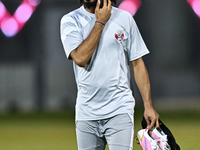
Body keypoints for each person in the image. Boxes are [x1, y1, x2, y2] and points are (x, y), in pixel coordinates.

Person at [60, 0, 159, 149]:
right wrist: (100, 22)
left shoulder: (124, 18)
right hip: (86, 112)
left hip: (119, 109)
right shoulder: (70, 20)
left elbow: (137, 64)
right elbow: (80, 58)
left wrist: (148, 105)